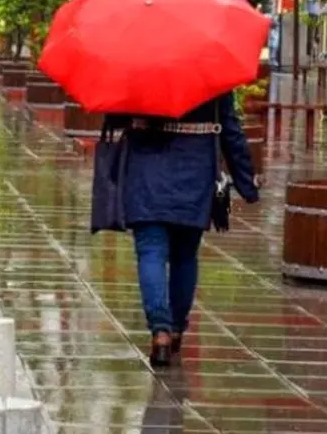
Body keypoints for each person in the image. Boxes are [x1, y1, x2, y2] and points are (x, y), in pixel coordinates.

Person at [105, 93, 258, 367]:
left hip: (146, 173)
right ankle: (175, 328)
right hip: (194, 170)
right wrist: (246, 182)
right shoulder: (212, 73)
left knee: (151, 251)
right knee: (185, 256)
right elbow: (230, 128)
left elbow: (115, 117)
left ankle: (160, 332)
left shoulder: (138, 72)